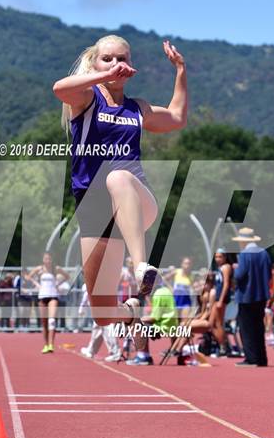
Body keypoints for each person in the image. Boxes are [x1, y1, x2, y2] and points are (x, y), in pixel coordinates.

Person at [53, 34, 187, 362]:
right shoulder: (84, 99)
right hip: (95, 211)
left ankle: (142, 265)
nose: (115, 65)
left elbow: (176, 117)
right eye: (107, 59)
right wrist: (105, 77)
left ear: (131, 63)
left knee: (117, 176)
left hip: (136, 204)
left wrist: (180, 71)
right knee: (101, 313)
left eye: (121, 59)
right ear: (95, 63)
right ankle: (131, 310)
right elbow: (59, 88)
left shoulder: (136, 108)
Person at [232, 228, 272, 367]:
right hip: (261, 295)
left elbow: (239, 275)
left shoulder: (244, 254)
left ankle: (251, 358)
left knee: (247, 329)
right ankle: (261, 358)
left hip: (246, 296)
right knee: (258, 327)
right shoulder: (264, 253)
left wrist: (235, 269)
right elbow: (269, 274)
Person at [28, 252, 70, 354]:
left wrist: (58, 284)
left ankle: (51, 344)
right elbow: (28, 276)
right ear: (43, 260)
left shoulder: (56, 268)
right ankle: (46, 345)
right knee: (44, 323)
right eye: (46, 258)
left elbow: (67, 276)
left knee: (52, 320)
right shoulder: (39, 269)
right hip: (42, 296)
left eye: (49, 259)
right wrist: (36, 284)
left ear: (51, 259)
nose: (47, 260)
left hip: (53, 296)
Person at [210, 250, 233, 355]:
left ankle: (224, 346)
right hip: (217, 297)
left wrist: (221, 300)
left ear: (225, 257)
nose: (217, 259)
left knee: (217, 323)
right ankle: (224, 345)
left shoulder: (226, 267)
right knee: (213, 323)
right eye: (216, 257)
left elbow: (226, 284)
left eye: (220, 257)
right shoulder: (219, 268)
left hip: (221, 298)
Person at [164, 257, 194, 322]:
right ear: (182, 264)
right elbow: (164, 279)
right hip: (176, 300)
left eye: (189, 264)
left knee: (184, 323)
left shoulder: (191, 276)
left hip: (186, 301)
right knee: (175, 322)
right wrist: (170, 288)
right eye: (185, 263)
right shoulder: (176, 272)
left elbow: (193, 288)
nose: (187, 266)